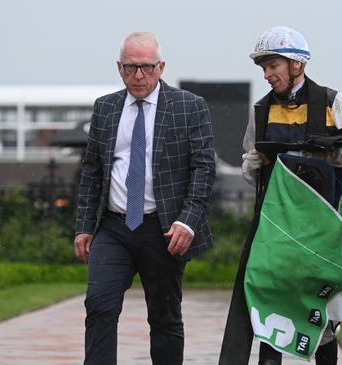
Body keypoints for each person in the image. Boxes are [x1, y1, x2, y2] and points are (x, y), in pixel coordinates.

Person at [239, 26, 342, 365]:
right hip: (277, 227)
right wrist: (258, 161)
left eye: (273, 66)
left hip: (321, 225)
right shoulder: (261, 110)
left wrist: (325, 153)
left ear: (296, 64)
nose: (268, 75)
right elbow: (248, 165)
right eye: (264, 69)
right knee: (271, 304)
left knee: (322, 310)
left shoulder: (332, 101)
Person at [73, 32, 216, 365]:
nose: (139, 76)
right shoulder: (105, 108)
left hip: (164, 229)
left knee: (164, 319)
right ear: (119, 68)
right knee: (99, 305)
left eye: (147, 67)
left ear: (161, 66)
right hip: (114, 227)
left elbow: (204, 169)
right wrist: (83, 226)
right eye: (130, 67)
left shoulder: (189, 106)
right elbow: (92, 170)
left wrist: (188, 221)